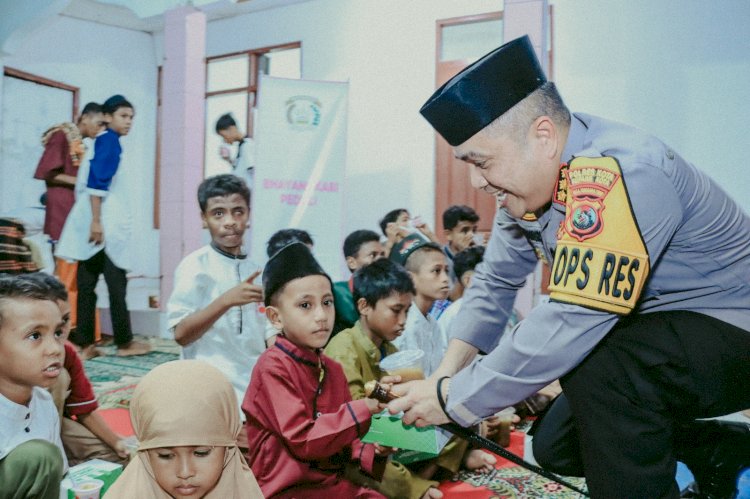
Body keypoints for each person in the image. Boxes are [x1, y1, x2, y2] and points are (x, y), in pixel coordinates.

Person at [386, 35, 750, 499]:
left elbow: (575, 317)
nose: (477, 182)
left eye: (483, 162)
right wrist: (445, 376)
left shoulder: (621, 172)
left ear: (543, 136)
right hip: (655, 336)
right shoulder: (524, 193)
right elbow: (495, 282)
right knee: (559, 445)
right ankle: (719, 448)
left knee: (603, 366)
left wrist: (453, 402)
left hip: (733, 327)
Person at [326, 258, 496, 499]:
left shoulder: (392, 351)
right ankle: (419, 484)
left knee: (454, 415)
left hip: (388, 434)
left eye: (407, 311)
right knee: (364, 457)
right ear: (364, 306)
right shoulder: (344, 348)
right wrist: (384, 402)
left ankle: (424, 475)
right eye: (396, 311)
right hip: (360, 439)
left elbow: (406, 402)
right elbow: (352, 420)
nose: (403, 320)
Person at [243, 242, 390, 498]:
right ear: (275, 318)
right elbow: (303, 439)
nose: (322, 315)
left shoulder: (331, 368)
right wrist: (365, 407)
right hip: (284, 490)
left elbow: (345, 439)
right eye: (305, 306)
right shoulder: (272, 366)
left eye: (327, 302)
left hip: (329, 485)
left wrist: (373, 450)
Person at [167, 174, 268, 450]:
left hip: (256, 383)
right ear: (204, 219)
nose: (230, 222)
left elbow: (268, 333)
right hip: (211, 384)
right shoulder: (195, 266)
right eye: (218, 213)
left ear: (248, 215)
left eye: (238, 212)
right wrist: (225, 301)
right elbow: (180, 335)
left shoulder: (258, 268)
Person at [56, 94, 150, 358]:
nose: (129, 122)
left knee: (87, 285)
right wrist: (97, 222)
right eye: (123, 116)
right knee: (116, 285)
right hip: (104, 227)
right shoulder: (110, 142)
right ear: (107, 117)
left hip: (96, 226)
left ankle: (86, 345)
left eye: (131, 117)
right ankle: (125, 343)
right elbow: (98, 184)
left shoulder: (102, 142)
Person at [106, 360, 263, 498]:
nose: (185, 472)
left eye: (201, 453)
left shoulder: (244, 492)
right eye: (165, 455)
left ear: (228, 447)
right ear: (145, 453)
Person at [21, 272, 129, 465]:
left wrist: (117, 443)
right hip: (12, 433)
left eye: (64, 322)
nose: (58, 335)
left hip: (54, 425)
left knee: (114, 457)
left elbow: (84, 408)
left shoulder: (66, 353)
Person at [34, 102, 106, 339]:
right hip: (62, 210)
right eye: (99, 123)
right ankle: (67, 329)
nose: (101, 129)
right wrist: (83, 183)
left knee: (81, 274)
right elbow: (48, 172)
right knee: (65, 273)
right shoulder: (61, 134)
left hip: (77, 213)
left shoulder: (85, 145)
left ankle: (81, 329)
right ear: (84, 118)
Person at [0, 274, 67, 498]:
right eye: (35, 335)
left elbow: (59, 481)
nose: (55, 348)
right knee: (38, 457)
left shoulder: (43, 401)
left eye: (57, 333)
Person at [389, 234, 450, 376]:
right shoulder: (404, 326)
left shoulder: (433, 324)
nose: (445, 279)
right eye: (436, 271)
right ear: (410, 278)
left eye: (446, 271)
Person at [332, 229, 386, 336]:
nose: (381, 260)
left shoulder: (388, 294)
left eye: (382, 254)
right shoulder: (336, 293)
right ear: (352, 262)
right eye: (373, 255)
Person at [215, 113, 255, 191]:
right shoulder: (242, 145)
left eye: (223, 136)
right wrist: (228, 159)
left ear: (232, 129)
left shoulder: (247, 145)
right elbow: (242, 169)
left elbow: (253, 171)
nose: (224, 140)